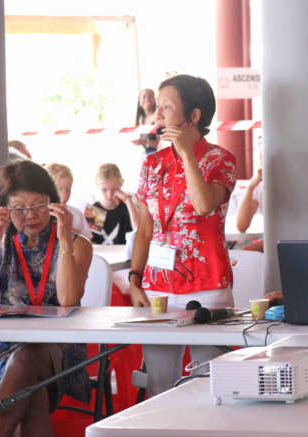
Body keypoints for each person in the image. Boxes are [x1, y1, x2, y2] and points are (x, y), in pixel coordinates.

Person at [0, 160, 93, 436]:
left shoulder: (76, 244)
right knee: (33, 394)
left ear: (53, 203)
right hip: (4, 346)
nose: (31, 215)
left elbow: (69, 298)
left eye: (38, 205)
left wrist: (65, 240)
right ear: (4, 209)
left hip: (59, 346)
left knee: (27, 358)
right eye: (19, 208)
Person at [129, 74, 237, 397]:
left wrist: (185, 152)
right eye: (157, 108)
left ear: (193, 116)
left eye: (166, 107)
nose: (157, 115)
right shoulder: (151, 165)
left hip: (206, 286)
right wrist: (135, 278)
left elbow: (204, 204)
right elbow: (145, 229)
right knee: (160, 384)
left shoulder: (221, 160)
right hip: (157, 286)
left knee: (211, 384)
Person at [89, 163, 138, 245]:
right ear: (97, 186)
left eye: (114, 189)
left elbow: (138, 231)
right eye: (104, 190)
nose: (110, 194)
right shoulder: (96, 209)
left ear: (121, 184)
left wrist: (127, 199)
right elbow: (91, 241)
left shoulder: (127, 208)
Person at [45, 162, 92, 240]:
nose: (64, 195)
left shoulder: (77, 214)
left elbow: (87, 241)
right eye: (59, 189)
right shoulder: (41, 213)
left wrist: (74, 233)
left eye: (68, 190)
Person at [235, 137, 264, 252]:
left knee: (242, 254)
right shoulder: (258, 184)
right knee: (240, 256)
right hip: (273, 240)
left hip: (290, 238)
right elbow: (242, 226)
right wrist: (250, 187)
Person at [132, 88, 159, 155]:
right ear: (140, 102)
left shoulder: (158, 118)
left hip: (158, 155)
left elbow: (161, 143)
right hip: (146, 156)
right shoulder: (141, 120)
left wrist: (144, 142)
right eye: (144, 97)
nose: (147, 99)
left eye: (150, 96)